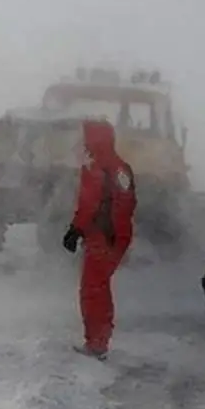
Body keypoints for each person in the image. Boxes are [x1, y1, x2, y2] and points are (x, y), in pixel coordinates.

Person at [62, 119, 137, 360]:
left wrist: (75, 230)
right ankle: (100, 340)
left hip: (102, 237)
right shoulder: (120, 167)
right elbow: (128, 202)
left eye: (85, 137)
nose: (82, 142)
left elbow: (89, 204)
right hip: (117, 236)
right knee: (100, 288)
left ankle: (96, 344)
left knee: (92, 290)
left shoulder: (96, 167)